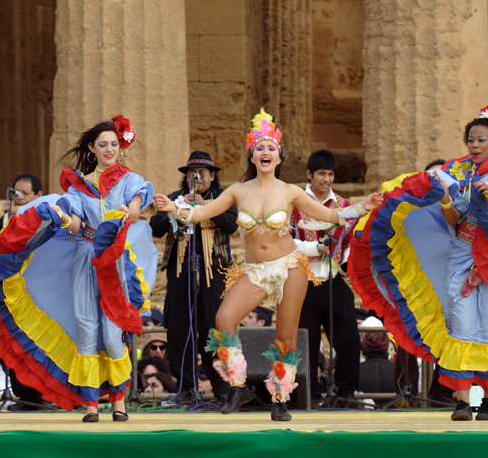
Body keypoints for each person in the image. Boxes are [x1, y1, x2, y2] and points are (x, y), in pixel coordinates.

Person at [154, 109, 381, 421]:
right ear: (252, 154)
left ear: (279, 156)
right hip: (255, 271)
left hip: (289, 268)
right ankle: (238, 385)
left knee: (286, 336)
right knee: (224, 319)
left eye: (270, 148)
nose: (265, 152)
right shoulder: (237, 190)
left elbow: (330, 217)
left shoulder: (290, 191)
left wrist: (361, 207)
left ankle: (280, 398)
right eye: (259, 147)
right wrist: (174, 207)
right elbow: (200, 214)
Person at [349, 104, 488, 422]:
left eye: (481, 140)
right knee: (460, 325)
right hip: (462, 253)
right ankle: (461, 402)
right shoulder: (463, 173)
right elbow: (454, 217)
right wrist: (444, 197)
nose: (474, 145)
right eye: (470, 140)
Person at [0, 115, 159, 423]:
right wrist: (62, 218)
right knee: (87, 330)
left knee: (113, 336)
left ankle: (119, 403)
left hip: (115, 262)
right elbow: (76, 226)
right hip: (85, 259)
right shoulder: (80, 186)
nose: (109, 149)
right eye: (102, 144)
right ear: (92, 148)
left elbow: (135, 206)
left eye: (114, 144)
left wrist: (127, 214)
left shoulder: (131, 180)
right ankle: (91, 407)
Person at [149, 150, 236, 405]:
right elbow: (155, 228)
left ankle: (221, 389)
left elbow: (232, 225)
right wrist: (175, 209)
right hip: (181, 272)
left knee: (213, 330)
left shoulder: (222, 198)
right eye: (191, 173)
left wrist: (204, 206)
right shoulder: (175, 198)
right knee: (179, 332)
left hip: (214, 273)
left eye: (202, 173)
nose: (196, 177)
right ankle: (185, 388)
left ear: (211, 177)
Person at [291, 149, 361, 407]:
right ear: (309, 174)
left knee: (349, 335)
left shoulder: (342, 205)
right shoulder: (294, 202)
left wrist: (348, 261)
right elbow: (284, 241)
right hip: (302, 280)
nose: (327, 179)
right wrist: (313, 249)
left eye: (331, 174)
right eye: (321, 173)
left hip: (331, 278)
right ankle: (307, 394)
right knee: (305, 340)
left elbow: (350, 240)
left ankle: (347, 391)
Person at [0, 174, 43, 266]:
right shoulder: (5, 220)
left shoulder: (44, 219)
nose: (20, 197)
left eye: (26, 193)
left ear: (38, 195)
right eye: (17, 193)